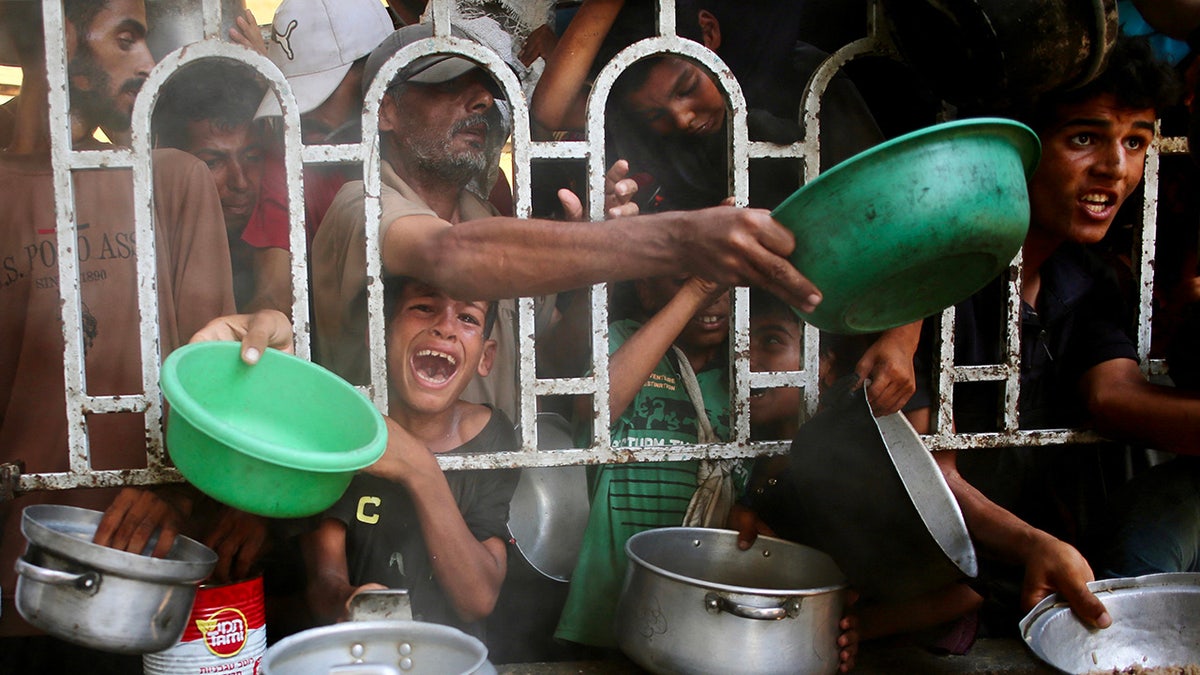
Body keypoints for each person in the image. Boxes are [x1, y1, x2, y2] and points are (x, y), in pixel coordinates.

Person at [314, 21, 825, 424]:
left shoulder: (484, 216)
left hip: (489, 509)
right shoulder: (361, 206)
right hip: (380, 515)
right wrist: (680, 237)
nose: (480, 101)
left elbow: (553, 358)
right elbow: (450, 257)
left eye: (484, 88)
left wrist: (591, 267)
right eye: (448, 86)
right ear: (385, 111)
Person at [0, 0, 290, 665]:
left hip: (153, 572)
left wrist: (176, 487)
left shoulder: (171, 179)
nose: (148, 63)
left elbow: (212, 376)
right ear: (59, 37)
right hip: (23, 571)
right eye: (127, 39)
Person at [906, 35, 1183, 633]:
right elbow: (926, 470)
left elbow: (1112, 396)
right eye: (1084, 138)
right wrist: (1032, 543)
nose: (1115, 167)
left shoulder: (1087, 277)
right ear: (1017, 149)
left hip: (1033, 588)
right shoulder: (934, 279)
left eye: (1135, 140)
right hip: (922, 580)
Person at [530, 0, 921, 419]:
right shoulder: (652, 131)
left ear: (709, 35)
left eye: (686, 88)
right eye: (656, 113)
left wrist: (903, 339)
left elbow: (903, 206)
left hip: (871, 280)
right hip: (745, 313)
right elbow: (551, 107)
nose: (681, 117)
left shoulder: (803, 81)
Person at [302, 277, 518, 639]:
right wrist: (351, 600)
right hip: (360, 655)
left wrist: (420, 471)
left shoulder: (493, 436)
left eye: (467, 318)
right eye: (423, 307)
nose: (446, 327)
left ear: (485, 356)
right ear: (380, 333)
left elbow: (478, 599)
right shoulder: (342, 432)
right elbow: (323, 583)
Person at [554, 273, 744, 650]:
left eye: (723, 282)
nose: (713, 297)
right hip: (605, 608)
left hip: (704, 618)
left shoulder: (743, 371)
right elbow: (593, 409)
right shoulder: (627, 341)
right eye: (684, 277)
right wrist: (696, 291)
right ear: (645, 289)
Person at [154, 59, 289, 314]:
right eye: (212, 162)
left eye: (252, 157)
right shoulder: (145, 237)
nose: (240, 182)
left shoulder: (281, 204)